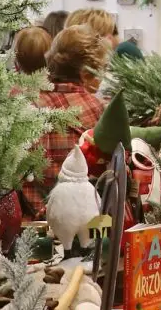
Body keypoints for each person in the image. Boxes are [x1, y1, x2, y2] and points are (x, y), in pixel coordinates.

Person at [19, 25, 109, 219]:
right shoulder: (98, 109)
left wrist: (43, 213)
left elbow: (17, 175)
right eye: (103, 68)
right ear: (86, 73)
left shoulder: (26, 104)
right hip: (88, 218)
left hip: (34, 225)